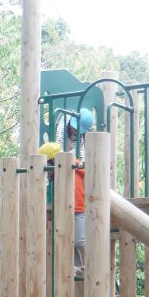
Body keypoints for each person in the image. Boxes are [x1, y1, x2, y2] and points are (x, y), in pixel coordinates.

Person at [65, 108, 95, 274]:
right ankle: (78, 267)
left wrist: (76, 163)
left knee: (79, 240)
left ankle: (95, 261)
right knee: (69, 239)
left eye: (78, 130)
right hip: (68, 203)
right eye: (74, 128)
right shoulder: (63, 129)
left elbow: (88, 168)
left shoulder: (86, 145)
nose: (75, 131)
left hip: (79, 203)